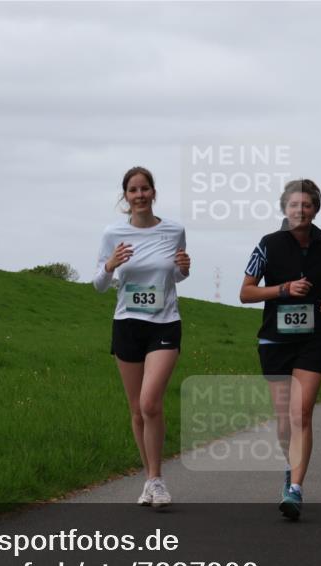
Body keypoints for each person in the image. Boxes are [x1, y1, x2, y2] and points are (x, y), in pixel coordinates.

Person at [240, 179, 321, 521]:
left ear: (316, 209)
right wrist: (283, 289)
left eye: (307, 205)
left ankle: (296, 488)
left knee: (301, 413)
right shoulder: (268, 245)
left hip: (315, 339)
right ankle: (291, 468)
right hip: (275, 340)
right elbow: (246, 292)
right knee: (284, 421)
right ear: (284, 209)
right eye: (294, 205)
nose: (300, 210)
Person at [94, 166, 190, 508]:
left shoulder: (174, 230)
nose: (139, 196)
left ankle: (158, 480)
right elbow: (99, 284)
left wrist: (184, 268)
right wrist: (110, 265)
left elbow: (175, 276)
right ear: (125, 196)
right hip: (127, 323)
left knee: (151, 402)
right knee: (137, 409)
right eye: (132, 190)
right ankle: (150, 479)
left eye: (144, 189)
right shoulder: (113, 233)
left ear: (153, 192)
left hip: (164, 322)